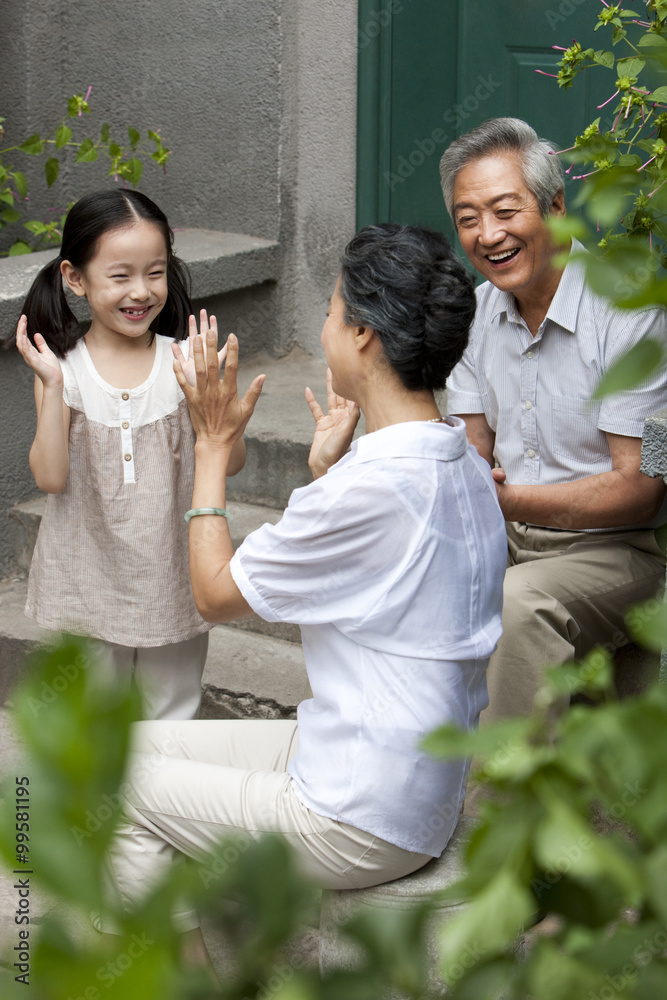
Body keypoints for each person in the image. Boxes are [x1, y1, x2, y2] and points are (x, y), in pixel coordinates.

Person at [101, 223, 507, 951]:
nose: (321, 328)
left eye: (328, 311)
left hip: (361, 811)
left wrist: (213, 445)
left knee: (116, 788)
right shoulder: (459, 459)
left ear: (363, 336)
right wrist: (328, 471)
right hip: (399, 773)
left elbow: (214, 594)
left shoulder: (375, 486)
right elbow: (385, 562)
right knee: (131, 747)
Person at [439, 117, 667, 724]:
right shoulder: (474, 314)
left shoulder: (632, 309)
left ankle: (495, 814)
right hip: (511, 540)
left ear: (556, 205)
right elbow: (472, 452)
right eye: (468, 218)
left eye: (505, 210)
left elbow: (642, 489)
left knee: (518, 603)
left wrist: (507, 502)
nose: (488, 235)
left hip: (626, 551)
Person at [14, 189, 247, 721]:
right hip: (87, 575)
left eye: (155, 272)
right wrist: (51, 387)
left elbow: (229, 464)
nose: (141, 291)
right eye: (120, 276)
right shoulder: (63, 368)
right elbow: (50, 477)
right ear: (75, 278)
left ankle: (159, 804)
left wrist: (218, 404)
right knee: (95, 722)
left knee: (172, 710)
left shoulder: (184, 362)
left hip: (172, 572)